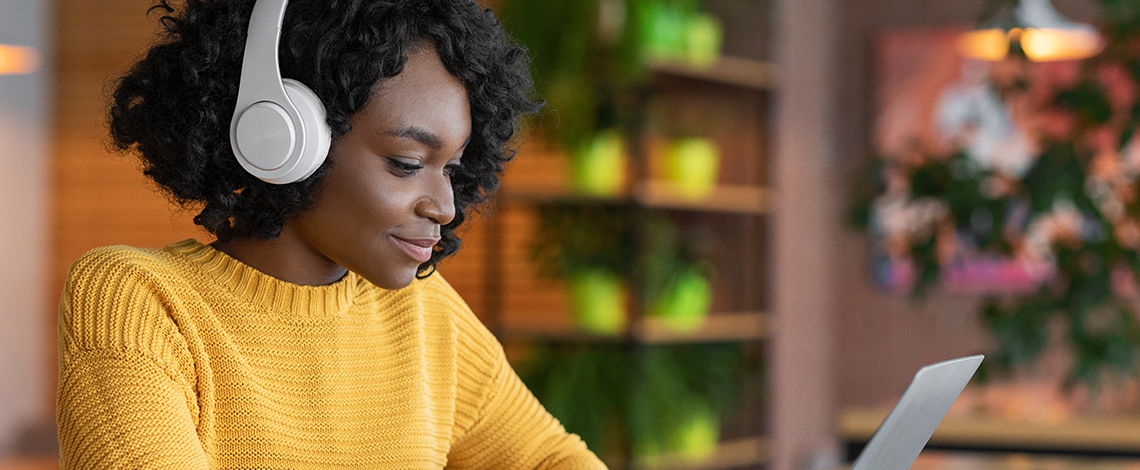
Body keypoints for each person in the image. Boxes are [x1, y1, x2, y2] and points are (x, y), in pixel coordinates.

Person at [55, 0, 607, 468]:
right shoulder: (139, 303)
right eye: (407, 162)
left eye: (454, 170)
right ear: (282, 139)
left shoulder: (426, 316)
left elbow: (551, 459)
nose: (445, 206)